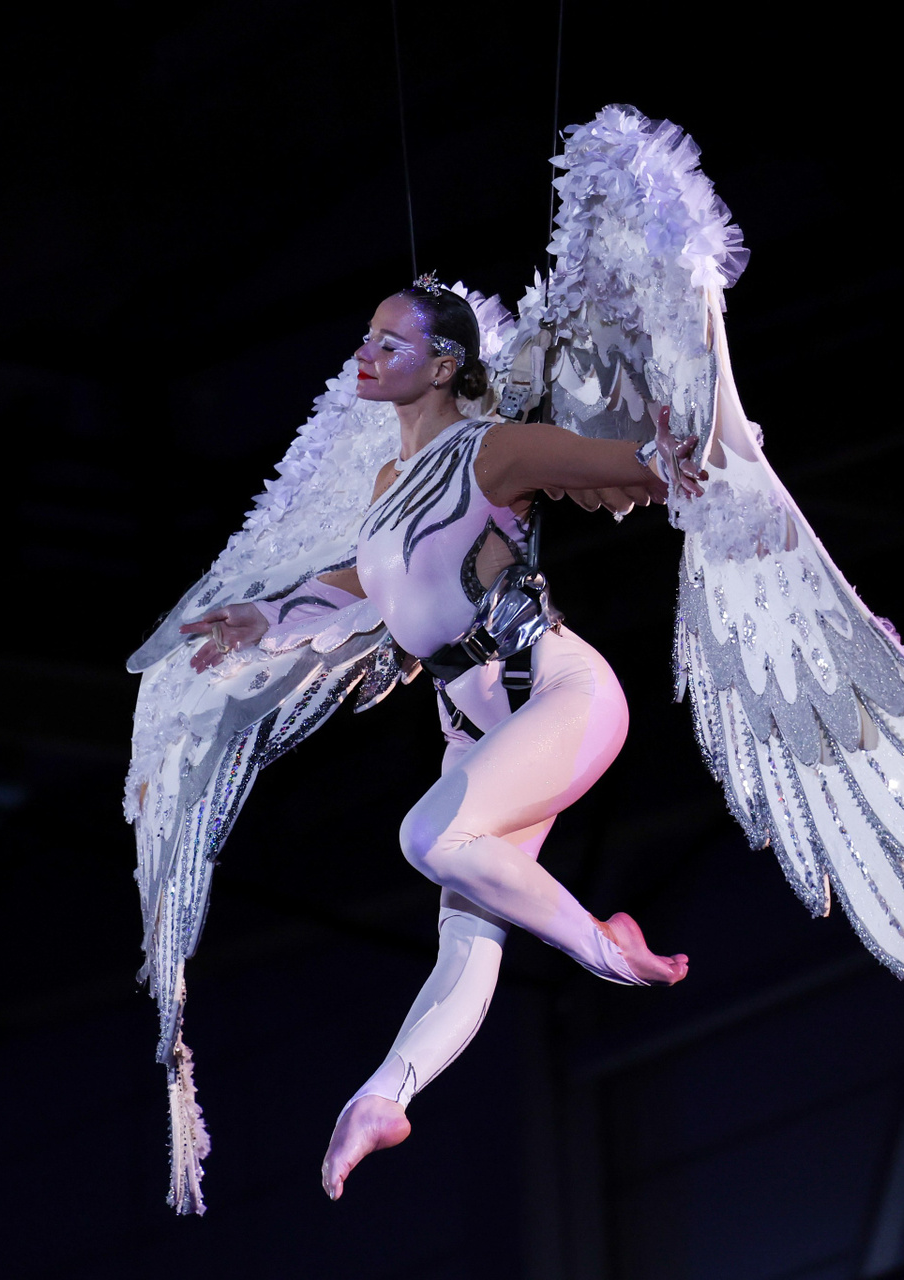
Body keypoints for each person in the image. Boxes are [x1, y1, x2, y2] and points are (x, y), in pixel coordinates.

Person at [178, 278, 705, 1199]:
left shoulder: (492, 450)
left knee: (429, 837)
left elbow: (627, 464)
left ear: (444, 366)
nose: (365, 354)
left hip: (559, 695)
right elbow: (369, 584)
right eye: (367, 337)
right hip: (475, 725)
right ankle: (383, 1097)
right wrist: (264, 617)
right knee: (466, 931)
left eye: (390, 342)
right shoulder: (391, 485)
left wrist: (672, 451)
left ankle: (607, 949)